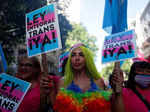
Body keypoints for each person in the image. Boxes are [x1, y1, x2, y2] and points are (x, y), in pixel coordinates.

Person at [40, 43, 112, 112]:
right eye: (73, 55)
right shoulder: (62, 82)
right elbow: (58, 109)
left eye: (81, 55)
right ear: (70, 60)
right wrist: (51, 91)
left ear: (87, 59)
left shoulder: (98, 81)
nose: (77, 58)